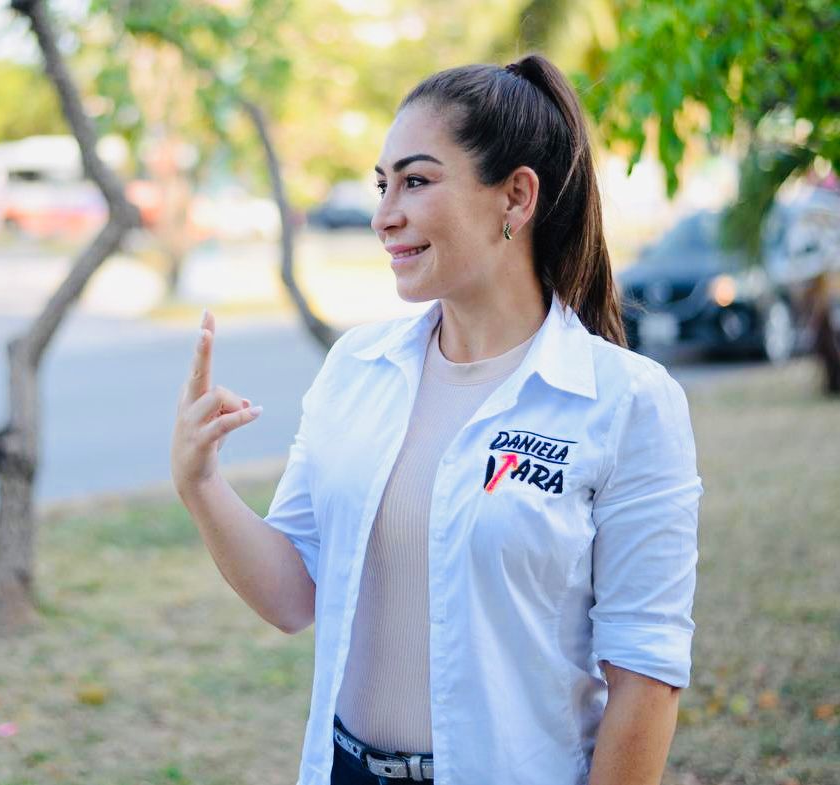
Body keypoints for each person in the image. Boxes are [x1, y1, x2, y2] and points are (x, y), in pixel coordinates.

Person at [171, 53, 703, 785]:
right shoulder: (356, 367)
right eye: (382, 185)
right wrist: (201, 482)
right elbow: (293, 596)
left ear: (515, 197)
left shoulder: (626, 401)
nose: (384, 214)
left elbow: (645, 673)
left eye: (416, 181)